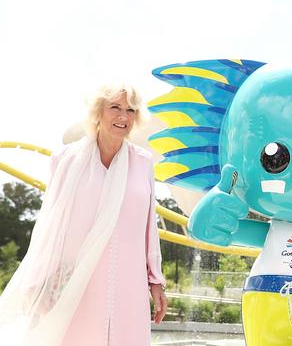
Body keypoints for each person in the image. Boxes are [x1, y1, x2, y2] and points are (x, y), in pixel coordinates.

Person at [0, 85, 167, 346]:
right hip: (76, 280)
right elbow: (51, 223)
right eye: (115, 108)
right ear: (98, 112)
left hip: (128, 280)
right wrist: (41, 278)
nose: (123, 117)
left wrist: (156, 280)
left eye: (130, 110)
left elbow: (149, 226)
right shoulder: (65, 159)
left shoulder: (143, 162)